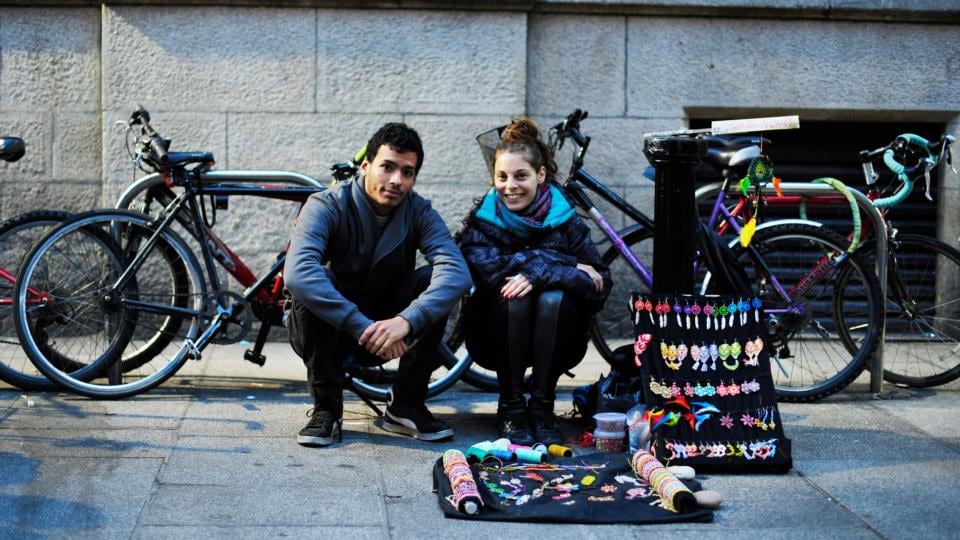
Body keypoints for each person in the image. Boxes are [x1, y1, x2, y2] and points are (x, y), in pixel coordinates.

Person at [285, 123, 472, 447]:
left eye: (407, 172)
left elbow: (455, 271)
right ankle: (326, 409)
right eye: (387, 167)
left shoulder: (419, 210)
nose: (397, 180)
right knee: (313, 283)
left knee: (434, 280)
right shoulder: (326, 204)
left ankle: (406, 406)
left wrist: (407, 321)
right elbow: (297, 272)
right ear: (366, 165)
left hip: (393, 331)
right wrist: (361, 326)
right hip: (332, 333)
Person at [457, 118, 611, 446]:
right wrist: (560, 265)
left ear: (541, 176)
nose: (510, 185)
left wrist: (543, 272)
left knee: (552, 297)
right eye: (502, 176)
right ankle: (511, 406)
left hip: (561, 338)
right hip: (492, 337)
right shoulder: (483, 221)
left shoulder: (565, 219)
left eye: (520, 175)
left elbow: (600, 284)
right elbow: (484, 272)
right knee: (517, 294)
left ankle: (542, 407)